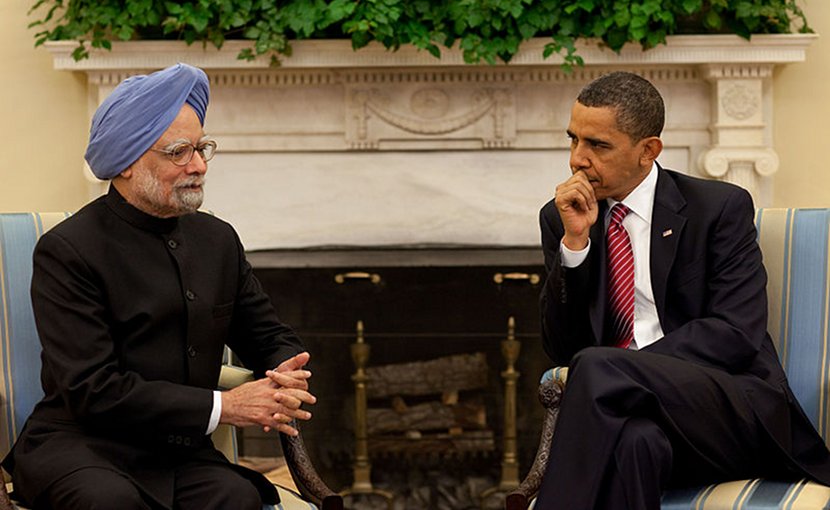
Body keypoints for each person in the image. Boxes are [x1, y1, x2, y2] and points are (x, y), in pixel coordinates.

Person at [2, 63, 316, 510]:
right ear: (128, 162)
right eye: (179, 152)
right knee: (110, 503)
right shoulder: (67, 250)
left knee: (237, 499)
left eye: (203, 147)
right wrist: (224, 407)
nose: (200, 165)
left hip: (180, 453)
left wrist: (286, 370)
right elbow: (93, 389)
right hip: (81, 449)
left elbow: (266, 334)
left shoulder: (217, 239)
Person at [536, 71, 830, 509]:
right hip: (632, 414)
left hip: (728, 408)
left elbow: (735, 333)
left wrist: (627, 367)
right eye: (573, 140)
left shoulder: (719, 208)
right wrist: (574, 246)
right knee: (637, 443)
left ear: (648, 150)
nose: (578, 159)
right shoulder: (563, 217)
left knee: (599, 367)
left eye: (597, 145)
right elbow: (563, 349)